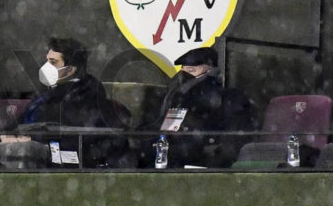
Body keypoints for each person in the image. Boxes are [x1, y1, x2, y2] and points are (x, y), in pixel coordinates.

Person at [137, 47, 257, 168]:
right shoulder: (173, 99)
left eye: (191, 71)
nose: (184, 76)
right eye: (182, 71)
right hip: (167, 169)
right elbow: (154, 134)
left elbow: (230, 147)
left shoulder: (229, 100)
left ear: (211, 71)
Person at [19, 37, 128, 167]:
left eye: (53, 62)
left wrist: (32, 141)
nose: (46, 67)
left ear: (70, 69)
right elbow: (21, 122)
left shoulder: (86, 99)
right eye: (47, 61)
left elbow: (71, 139)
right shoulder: (45, 96)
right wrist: (9, 136)